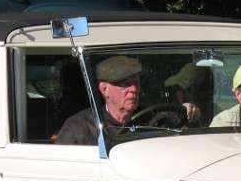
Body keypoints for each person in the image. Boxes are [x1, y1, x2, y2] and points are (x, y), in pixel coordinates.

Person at [57, 55, 199, 144]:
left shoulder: (155, 121)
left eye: (136, 82)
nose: (133, 89)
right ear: (104, 89)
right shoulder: (79, 128)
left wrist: (188, 114)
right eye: (124, 83)